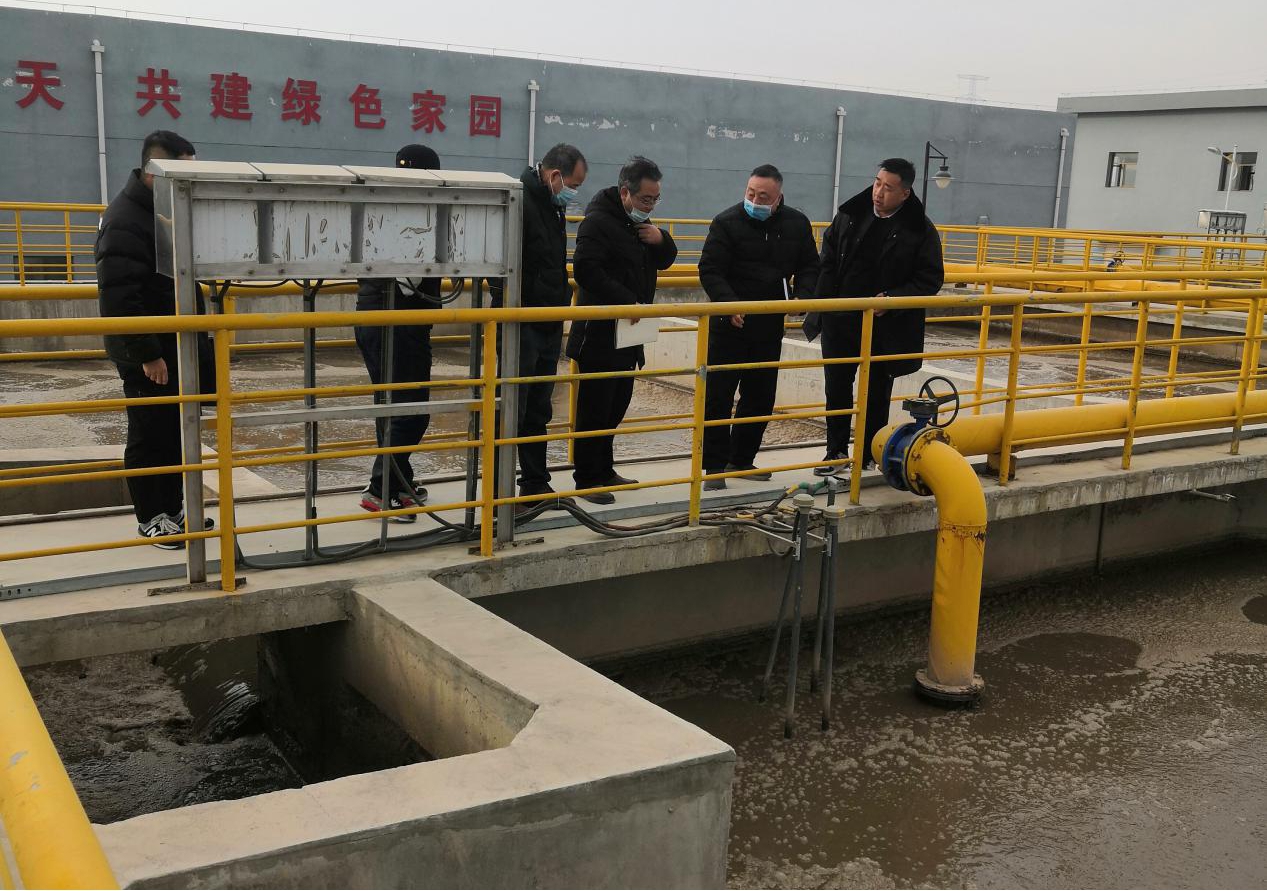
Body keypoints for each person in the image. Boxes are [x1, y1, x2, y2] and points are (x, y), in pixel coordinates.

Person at [96, 129, 214, 548]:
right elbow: (120, 295)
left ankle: (173, 510)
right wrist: (147, 353)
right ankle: (152, 518)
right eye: (182, 173)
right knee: (149, 434)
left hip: (171, 343)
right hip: (149, 351)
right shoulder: (126, 219)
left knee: (172, 430)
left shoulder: (161, 209)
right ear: (154, 171)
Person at [807, 157, 944, 476]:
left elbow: (930, 279)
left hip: (885, 325)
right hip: (840, 319)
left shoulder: (919, 229)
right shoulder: (850, 215)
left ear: (905, 193)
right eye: (877, 183)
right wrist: (821, 305)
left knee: (877, 392)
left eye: (888, 188)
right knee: (836, 388)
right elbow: (828, 259)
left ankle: (870, 453)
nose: (879, 192)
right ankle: (835, 453)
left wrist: (893, 299)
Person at [698, 164, 819, 490]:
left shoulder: (796, 224)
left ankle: (740, 459)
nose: (755, 200)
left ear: (778, 197)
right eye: (750, 193)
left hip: (768, 324)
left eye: (763, 196)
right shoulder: (726, 222)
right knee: (718, 397)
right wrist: (728, 303)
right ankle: (713, 468)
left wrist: (802, 297)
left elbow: (810, 265)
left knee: (760, 396)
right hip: (728, 323)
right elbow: (709, 269)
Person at [565, 156, 678, 504]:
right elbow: (586, 270)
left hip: (630, 333)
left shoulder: (638, 223)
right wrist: (627, 301)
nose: (650, 206)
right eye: (645, 199)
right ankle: (587, 478)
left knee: (617, 402)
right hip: (599, 331)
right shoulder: (598, 221)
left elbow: (663, 260)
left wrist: (662, 240)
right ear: (625, 192)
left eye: (655, 199)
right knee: (595, 407)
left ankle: (605, 469)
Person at [354, 143, 442, 521]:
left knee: (391, 408)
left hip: (374, 317)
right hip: (399, 322)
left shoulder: (381, 206)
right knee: (412, 411)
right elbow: (410, 279)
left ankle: (398, 482)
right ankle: (380, 489)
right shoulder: (414, 212)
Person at [496, 143, 587, 500]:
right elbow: (503, 266)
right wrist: (520, 307)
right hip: (521, 321)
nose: (573, 193)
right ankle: (499, 493)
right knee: (512, 408)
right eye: (573, 185)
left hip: (547, 319)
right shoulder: (519, 202)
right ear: (555, 176)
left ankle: (535, 482)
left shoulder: (550, 204)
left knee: (538, 407)